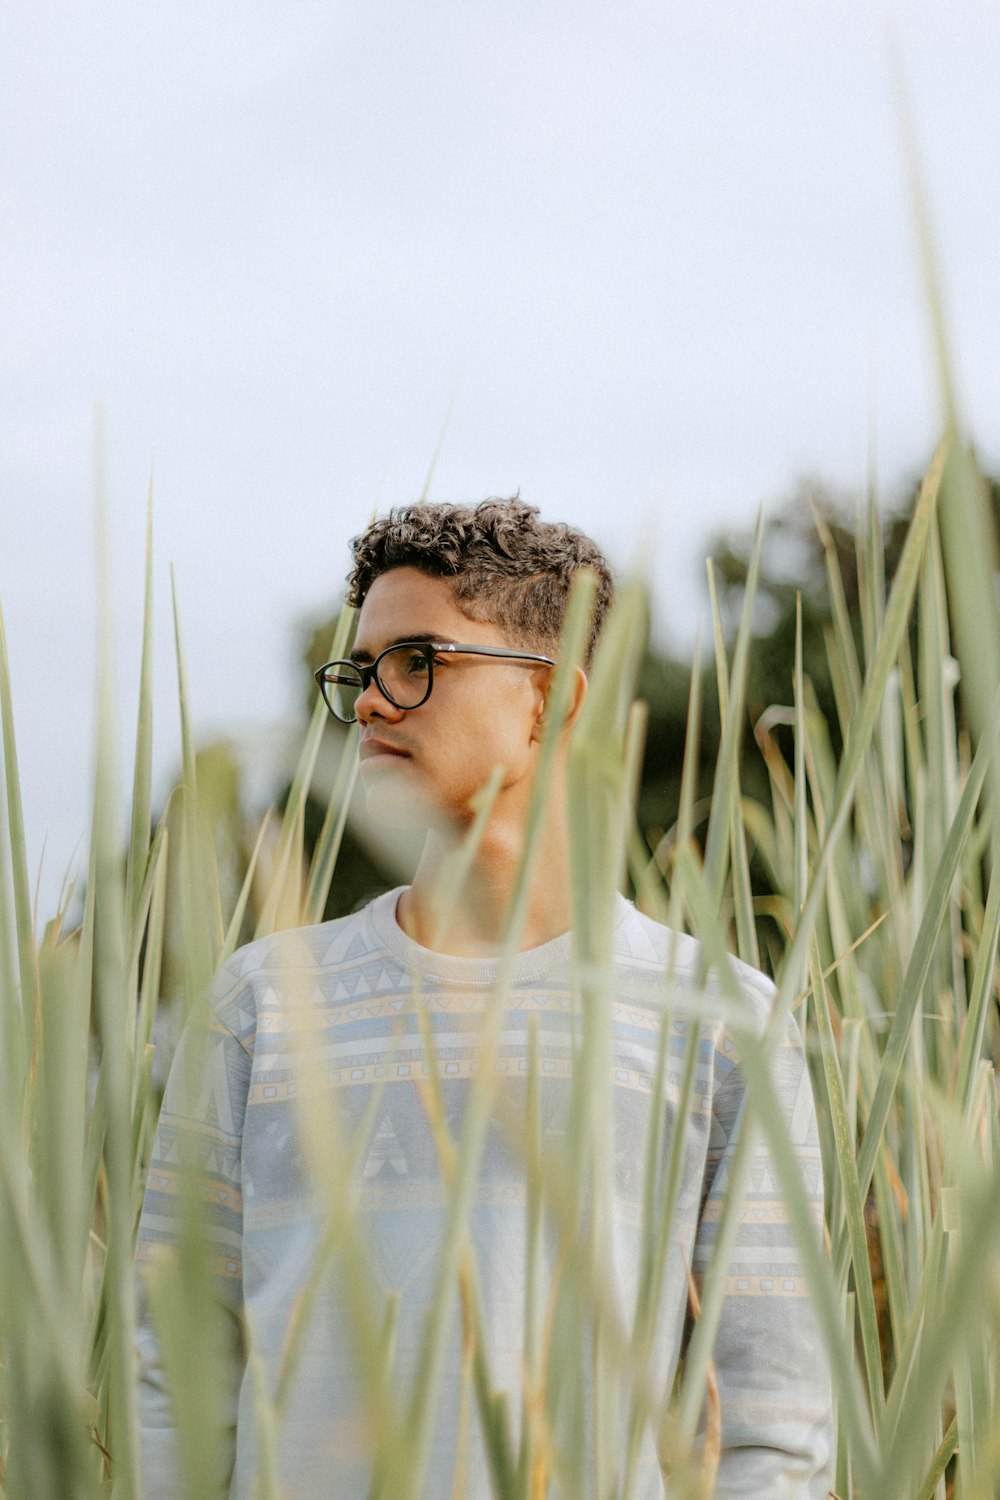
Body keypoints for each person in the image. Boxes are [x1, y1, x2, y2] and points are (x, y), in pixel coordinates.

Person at [136, 497, 833, 1498]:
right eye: (361, 671)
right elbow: (175, 1377)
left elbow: (772, 1422)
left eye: (419, 661)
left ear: (557, 701)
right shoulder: (260, 1002)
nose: (372, 702)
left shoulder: (720, 1022)